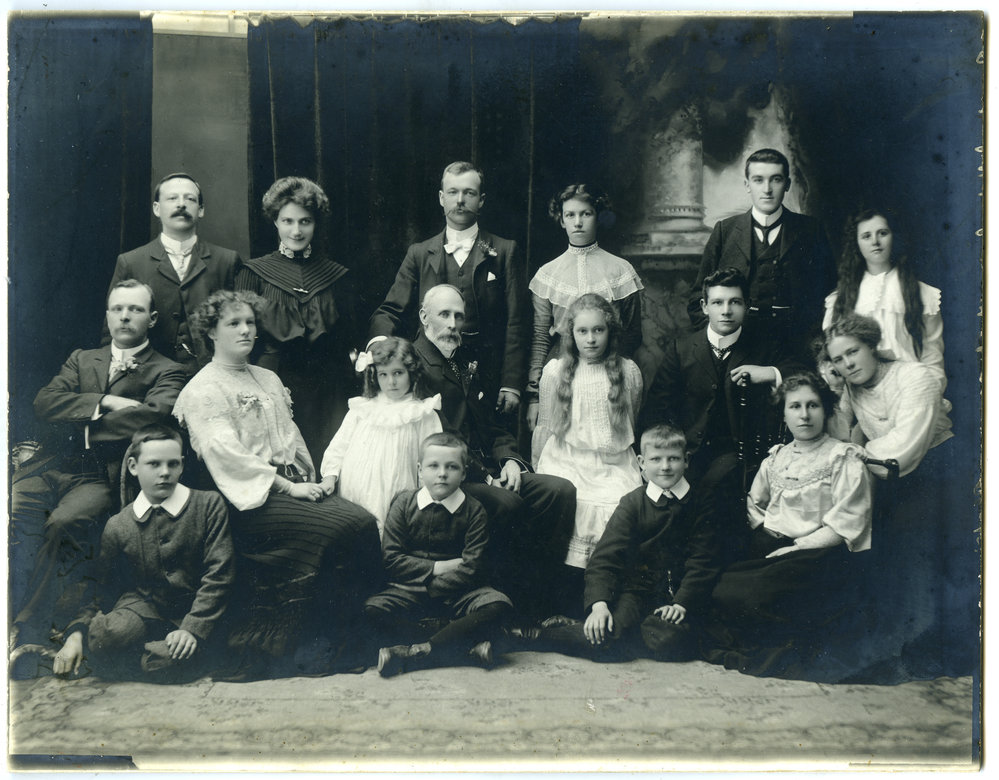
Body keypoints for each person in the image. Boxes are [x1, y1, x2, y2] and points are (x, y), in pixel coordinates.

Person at [172, 290, 382, 680]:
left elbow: (291, 436)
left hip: (291, 487)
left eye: (250, 323)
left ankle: (349, 638)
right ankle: (307, 646)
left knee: (363, 522)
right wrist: (287, 488)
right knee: (339, 529)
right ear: (211, 333)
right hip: (247, 500)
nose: (245, 330)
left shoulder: (267, 377)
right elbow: (226, 457)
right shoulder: (203, 390)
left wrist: (310, 481)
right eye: (233, 323)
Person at [10, 280, 186, 659]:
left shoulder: (168, 370)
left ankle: (29, 630)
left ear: (153, 318)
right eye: (117, 309)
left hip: (101, 473)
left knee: (63, 522)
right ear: (107, 316)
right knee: (16, 515)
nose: (125, 316)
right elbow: (44, 402)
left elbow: (152, 417)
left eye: (135, 309)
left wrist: (84, 425)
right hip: (51, 464)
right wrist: (105, 401)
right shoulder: (82, 358)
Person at [412, 284, 576, 619]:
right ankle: (507, 604)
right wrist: (486, 476)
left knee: (559, 491)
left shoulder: (467, 358)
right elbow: (443, 437)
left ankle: (539, 601)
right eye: (444, 315)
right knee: (507, 503)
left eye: (459, 316)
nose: (453, 324)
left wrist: (510, 461)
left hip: (490, 467)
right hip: (452, 476)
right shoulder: (416, 365)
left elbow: (494, 424)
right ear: (424, 317)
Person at [825, 313, 974, 680]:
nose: (847, 364)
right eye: (838, 359)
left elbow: (906, 444)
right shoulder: (851, 387)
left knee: (921, 555)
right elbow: (841, 435)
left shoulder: (915, 377)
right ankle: (886, 648)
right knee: (875, 550)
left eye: (853, 352)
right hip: (891, 476)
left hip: (940, 469)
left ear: (872, 346)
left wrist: (857, 453)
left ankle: (925, 654)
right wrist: (836, 395)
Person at [702, 372, 873, 681]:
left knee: (748, 596)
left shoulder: (841, 456)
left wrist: (797, 546)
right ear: (783, 414)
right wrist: (767, 532)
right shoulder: (776, 457)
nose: (804, 415)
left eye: (813, 405)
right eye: (795, 406)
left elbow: (848, 520)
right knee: (718, 587)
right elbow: (755, 503)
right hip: (772, 546)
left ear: (826, 410)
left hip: (816, 555)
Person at [514, 425, 722, 662]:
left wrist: (681, 604)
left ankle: (636, 634)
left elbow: (703, 560)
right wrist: (599, 605)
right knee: (605, 639)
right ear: (641, 463)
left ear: (686, 461)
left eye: (673, 459)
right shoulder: (633, 503)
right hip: (637, 592)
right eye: (656, 459)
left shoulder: (700, 502)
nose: (665, 466)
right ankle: (540, 636)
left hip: (680, 595)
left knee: (673, 640)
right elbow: (605, 557)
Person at [52, 425, 235, 682]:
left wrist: (192, 629)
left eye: (173, 464)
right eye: (154, 464)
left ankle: (147, 657)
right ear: (133, 466)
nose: (165, 472)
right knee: (105, 635)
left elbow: (219, 574)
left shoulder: (208, 505)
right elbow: (100, 589)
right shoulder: (119, 524)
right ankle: (132, 653)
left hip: (193, 610)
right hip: (145, 609)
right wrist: (76, 634)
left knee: (163, 661)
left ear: (182, 466)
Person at [640, 267, 792, 553]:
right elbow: (658, 407)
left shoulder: (763, 346)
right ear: (704, 306)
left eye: (735, 302)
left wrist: (769, 373)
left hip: (739, 454)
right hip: (688, 451)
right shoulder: (682, 348)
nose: (726, 311)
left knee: (714, 491)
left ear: (746, 305)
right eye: (718, 302)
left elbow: (799, 373)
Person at [369, 161, 527, 415]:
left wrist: (511, 383)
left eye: (469, 193)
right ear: (442, 198)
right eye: (453, 192)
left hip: (488, 375)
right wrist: (379, 348)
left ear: (481, 200)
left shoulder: (504, 251)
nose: (460, 200)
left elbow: (516, 322)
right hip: (429, 373)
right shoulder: (420, 253)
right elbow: (390, 311)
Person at [365, 432, 514, 677]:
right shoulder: (404, 503)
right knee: (371, 610)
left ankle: (419, 652)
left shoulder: (474, 510)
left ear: (464, 473)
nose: (442, 473)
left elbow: (471, 567)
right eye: (433, 466)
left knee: (499, 605)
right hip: (409, 592)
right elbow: (391, 558)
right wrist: (437, 568)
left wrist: (431, 589)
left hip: (460, 594)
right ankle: (461, 647)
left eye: (452, 467)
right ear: (420, 470)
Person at [236, 177, 360, 463]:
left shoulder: (336, 275)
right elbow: (242, 338)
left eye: (305, 222)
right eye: (288, 221)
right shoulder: (253, 273)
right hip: (271, 382)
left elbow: (350, 338)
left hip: (328, 388)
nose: (296, 230)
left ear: (316, 223)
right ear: (275, 222)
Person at [533, 293, 643, 576]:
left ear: (610, 331)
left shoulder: (628, 372)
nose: (591, 339)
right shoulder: (555, 372)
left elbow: (633, 419)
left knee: (621, 504)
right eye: (582, 331)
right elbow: (544, 427)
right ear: (571, 334)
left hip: (613, 463)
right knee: (570, 503)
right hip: (565, 460)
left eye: (598, 330)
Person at [688, 148, 834, 356]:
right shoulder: (725, 231)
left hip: (796, 348)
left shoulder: (811, 230)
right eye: (758, 180)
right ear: (747, 185)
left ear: (787, 185)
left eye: (776, 180)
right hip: (737, 348)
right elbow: (698, 298)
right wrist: (720, 341)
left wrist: (813, 343)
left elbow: (829, 293)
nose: (767, 189)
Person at [526, 183, 644, 429]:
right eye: (570, 215)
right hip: (560, 373)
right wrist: (534, 396)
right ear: (561, 220)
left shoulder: (620, 270)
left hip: (610, 376)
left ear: (597, 217)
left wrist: (611, 373)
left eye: (586, 214)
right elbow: (540, 338)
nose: (578, 222)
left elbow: (632, 333)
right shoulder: (548, 274)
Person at [104, 173, 242, 374]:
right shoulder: (131, 262)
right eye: (172, 198)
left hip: (212, 374)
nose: (181, 204)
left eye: (190, 199)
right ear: (156, 209)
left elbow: (243, 324)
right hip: (147, 376)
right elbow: (111, 329)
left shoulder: (227, 260)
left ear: (201, 210)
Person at [319, 336, 443, 535]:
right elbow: (338, 447)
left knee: (390, 534)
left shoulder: (422, 413)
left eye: (398, 373)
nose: (391, 382)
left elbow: (433, 460)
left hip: (398, 493)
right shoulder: (363, 408)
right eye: (383, 374)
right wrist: (329, 478)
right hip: (353, 493)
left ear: (411, 372)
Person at [822, 207, 946, 390]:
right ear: (856, 243)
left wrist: (927, 393)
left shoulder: (921, 294)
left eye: (882, 233)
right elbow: (831, 358)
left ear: (893, 237)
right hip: (861, 395)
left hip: (910, 390)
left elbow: (932, 358)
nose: (875, 242)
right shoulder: (841, 299)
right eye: (866, 236)